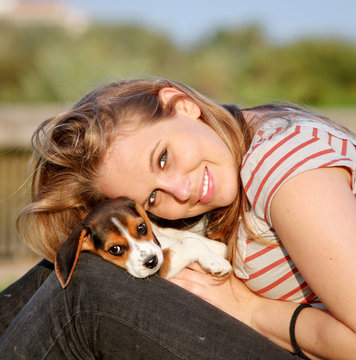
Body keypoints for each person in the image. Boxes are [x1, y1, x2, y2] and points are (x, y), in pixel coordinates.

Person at [0, 78, 355, 359]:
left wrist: (250, 310)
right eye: (153, 198)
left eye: (163, 158)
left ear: (182, 105)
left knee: (85, 297)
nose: (181, 191)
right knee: (64, 267)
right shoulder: (237, 144)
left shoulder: (288, 172)